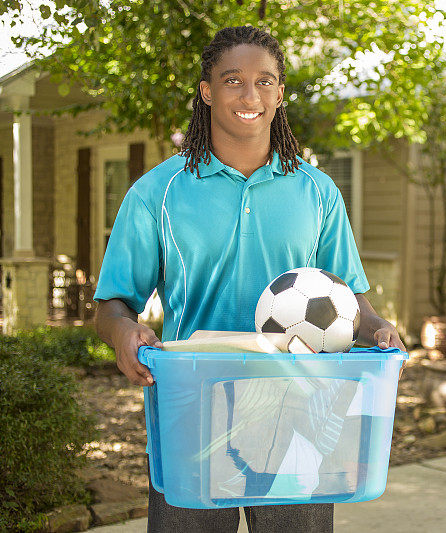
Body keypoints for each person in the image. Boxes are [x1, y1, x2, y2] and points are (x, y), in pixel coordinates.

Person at [94, 26, 404, 533]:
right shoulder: (158, 193)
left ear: (280, 95)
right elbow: (111, 305)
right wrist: (124, 333)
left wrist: (379, 328)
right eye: (232, 80)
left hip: (298, 414)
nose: (249, 95)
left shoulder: (318, 192)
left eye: (265, 81)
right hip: (192, 415)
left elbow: (352, 304)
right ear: (206, 90)